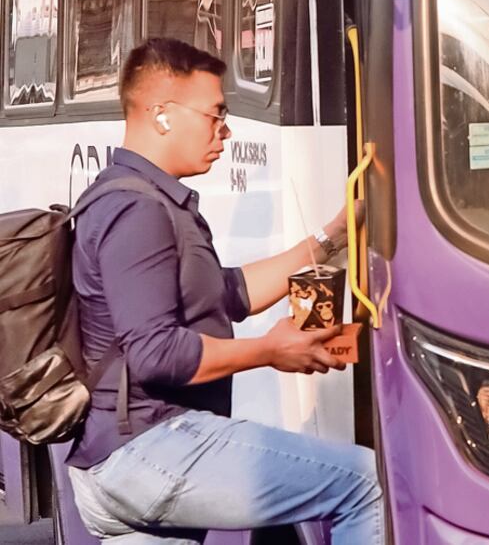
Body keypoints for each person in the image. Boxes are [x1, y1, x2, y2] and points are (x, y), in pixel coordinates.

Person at [64, 38, 384, 544]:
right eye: (215, 114)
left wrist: (330, 238)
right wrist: (268, 350)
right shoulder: (137, 210)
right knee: (366, 484)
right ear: (162, 114)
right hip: (151, 445)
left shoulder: (149, 198)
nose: (225, 131)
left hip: (125, 458)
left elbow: (227, 293)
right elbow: (155, 353)